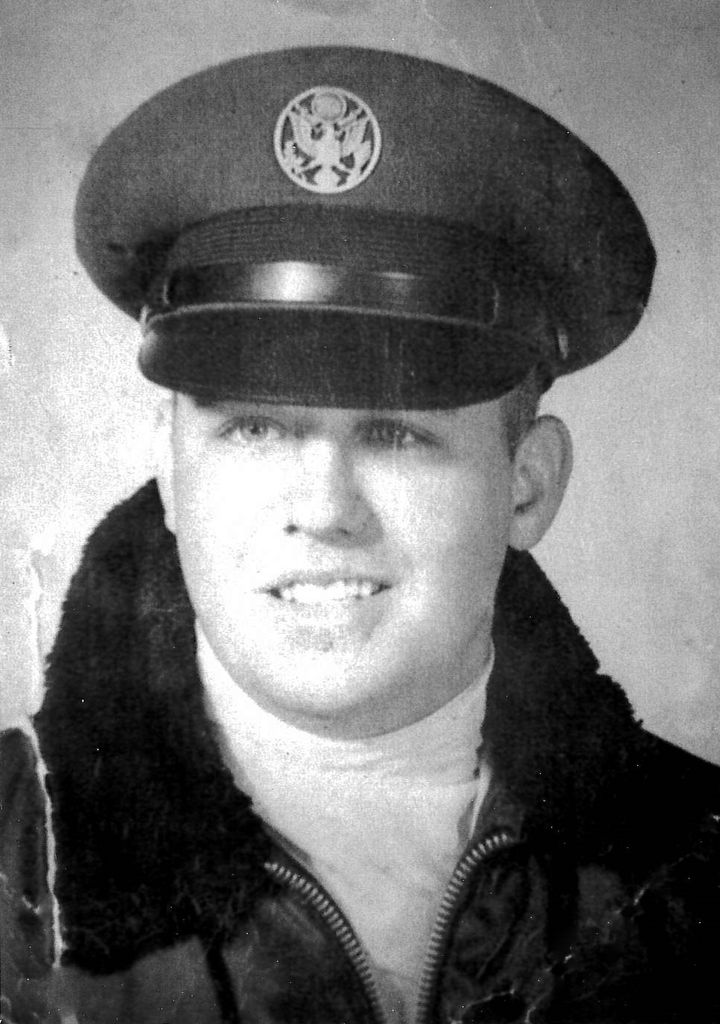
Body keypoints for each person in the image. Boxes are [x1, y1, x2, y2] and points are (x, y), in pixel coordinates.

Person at [1, 44, 718, 1024]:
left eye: (395, 433)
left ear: (528, 485)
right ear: (168, 465)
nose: (325, 507)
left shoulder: (698, 875)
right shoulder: (13, 867)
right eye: (254, 427)